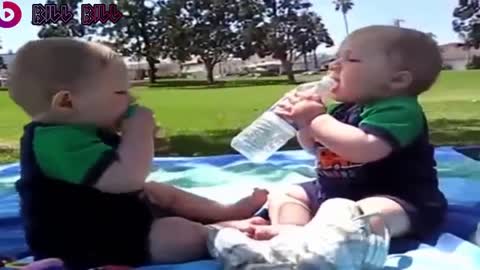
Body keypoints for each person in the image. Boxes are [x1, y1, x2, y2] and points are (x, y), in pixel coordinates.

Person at [8, 38, 268, 269]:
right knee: (179, 235)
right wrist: (139, 131)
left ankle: (225, 212)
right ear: (67, 102)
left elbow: (121, 171)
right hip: (86, 242)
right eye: (120, 92)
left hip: (112, 216)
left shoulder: (80, 130)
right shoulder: (55, 142)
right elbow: (126, 179)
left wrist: (137, 140)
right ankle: (217, 232)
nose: (131, 99)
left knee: (159, 192)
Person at [209, 25, 448, 269]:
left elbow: (365, 148)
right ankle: (290, 236)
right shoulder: (341, 110)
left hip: (397, 197)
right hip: (332, 191)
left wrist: (315, 119)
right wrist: (303, 126)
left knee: (360, 215)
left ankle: (319, 252)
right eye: (336, 57)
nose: (333, 65)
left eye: (350, 59)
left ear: (397, 79)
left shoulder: (399, 109)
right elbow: (315, 148)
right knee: (286, 195)